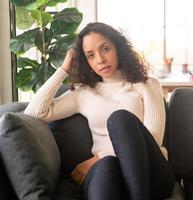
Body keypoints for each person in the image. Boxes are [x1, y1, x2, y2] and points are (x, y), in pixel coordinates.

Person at [24, 22, 175, 200]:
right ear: (85, 61)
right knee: (106, 168)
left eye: (105, 49)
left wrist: (98, 157)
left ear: (118, 48)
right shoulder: (83, 92)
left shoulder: (147, 84)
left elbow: (154, 136)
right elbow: (34, 114)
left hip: (151, 172)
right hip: (109, 170)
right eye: (90, 55)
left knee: (120, 119)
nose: (100, 60)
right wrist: (64, 69)